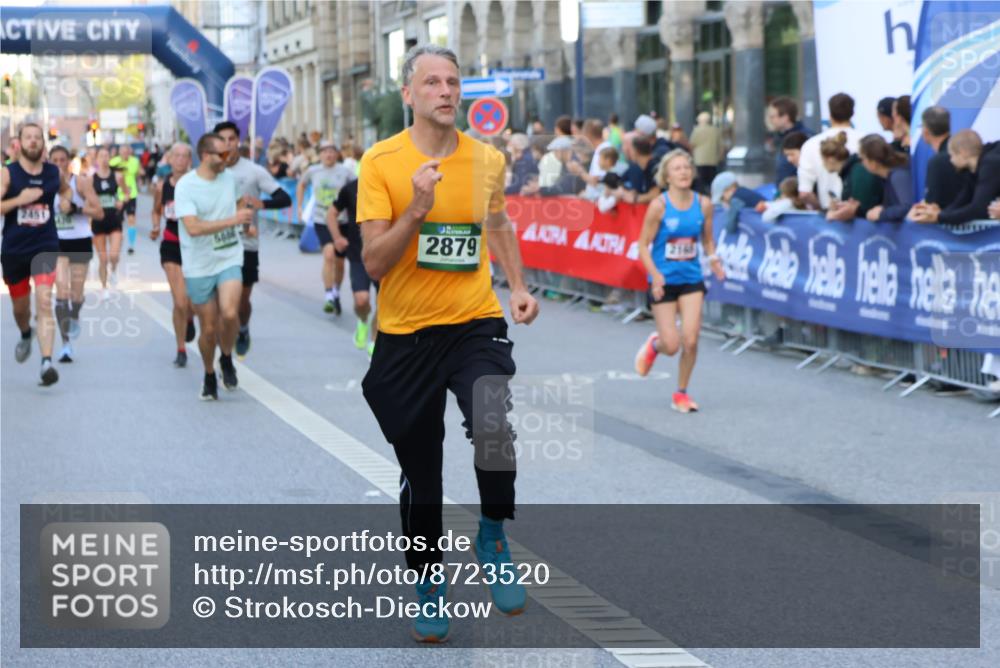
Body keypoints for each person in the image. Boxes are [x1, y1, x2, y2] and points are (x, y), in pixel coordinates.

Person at [357, 44, 539, 644]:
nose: (445, 91)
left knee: (492, 420)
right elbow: (376, 263)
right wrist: (418, 209)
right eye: (431, 82)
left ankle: (492, 530)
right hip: (406, 336)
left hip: (473, 322)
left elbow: (497, 223)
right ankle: (429, 585)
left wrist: (517, 285)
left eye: (452, 82)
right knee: (422, 473)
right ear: (408, 94)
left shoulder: (486, 159)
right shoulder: (381, 163)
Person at [634, 149, 725, 412]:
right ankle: (655, 344)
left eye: (687, 167)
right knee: (671, 346)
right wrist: (655, 275)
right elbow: (642, 245)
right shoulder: (659, 206)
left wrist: (713, 258)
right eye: (677, 169)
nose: (683, 172)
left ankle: (681, 393)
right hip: (664, 280)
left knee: (692, 339)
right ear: (667, 176)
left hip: (691, 279)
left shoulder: (704, 204)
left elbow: (707, 239)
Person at [174, 133, 256, 400]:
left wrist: (246, 221)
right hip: (198, 264)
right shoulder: (186, 186)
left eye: (229, 152)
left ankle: (227, 357)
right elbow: (193, 228)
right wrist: (233, 220)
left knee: (230, 313)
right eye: (222, 154)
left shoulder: (229, 179)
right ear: (206, 156)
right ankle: (209, 372)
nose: (227, 157)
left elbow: (240, 203)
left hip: (228, 255)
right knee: (208, 329)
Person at [0, 123, 73, 386]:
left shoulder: (53, 172)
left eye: (37, 138)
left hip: (45, 245)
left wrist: (66, 201)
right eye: (28, 138)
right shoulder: (8, 174)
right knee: (21, 308)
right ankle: (25, 332)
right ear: (19, 143)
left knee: (44, 302)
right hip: (14, 250)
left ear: (43, 143)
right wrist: (20, 200)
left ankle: (46, 363)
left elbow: (65, 189)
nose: (33, 142)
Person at [214, 121, 292, 357]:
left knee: (242, 300)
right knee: (223, 304)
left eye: (231, 139)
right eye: (222, 139)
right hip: (218, 244)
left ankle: (244, 327)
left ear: (238, 141)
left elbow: (284, 198)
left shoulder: (253, 171)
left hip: (246, 244)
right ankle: (225, 353)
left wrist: (261, 203)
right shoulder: (211, 170)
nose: (227, 144)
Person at [50, 146, 101, 363]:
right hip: (55, 242)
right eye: (55, 160)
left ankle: (75, 314)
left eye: (63, 160)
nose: (59, 164)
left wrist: (75, 209)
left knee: (76, 295)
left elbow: (98, 212)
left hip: (79, 241)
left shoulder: (80, 183)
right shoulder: (45, 184)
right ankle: (65, 345)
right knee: (62, 291)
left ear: (69, 162)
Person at [150, 143, 197, 368]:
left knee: (192, 301)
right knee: (179, 301)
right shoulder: (162, 186)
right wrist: (155, 226)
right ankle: (181, 348)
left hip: (195, 246)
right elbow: (156, 210)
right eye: (176, 156)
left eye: (184, 156)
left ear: (190, 159)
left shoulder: (197, 183)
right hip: (171, 245)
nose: (179, 160)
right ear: (170, 159)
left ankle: (190, 317)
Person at [297, 139, 355, 315]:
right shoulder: (313, 171)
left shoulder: (346, 172)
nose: (328, 155)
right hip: (322, 219)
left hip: (343, 221)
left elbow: (358, 189)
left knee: (340, 261)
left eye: (332, 151)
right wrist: (300, 206)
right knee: (328, 254)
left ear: (337, 154)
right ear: (320, 154)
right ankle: (329, 294)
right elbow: (301, 184)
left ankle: (336, 289)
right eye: (325, 151)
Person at [326, 173, 377, 355]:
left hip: (385, 253)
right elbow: (331, 214)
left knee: (385, 304)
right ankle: (363, 321)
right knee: (362, 300)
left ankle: (374, 341)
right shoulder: (351, 188)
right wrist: (337, 237)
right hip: (359, 254)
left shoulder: (392, 184)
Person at [910, 129, 1000, 225]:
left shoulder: (990, 166)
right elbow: (963, 200)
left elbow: (978, 208)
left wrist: (939, 217)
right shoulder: (973, 171)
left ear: (963, 152)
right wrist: (940, 214)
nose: (951, 161)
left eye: (952, 155)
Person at [798, 93, 861, 209]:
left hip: (829, 213)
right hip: (860, 212)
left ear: (830, 113)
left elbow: (805, 193)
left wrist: (821, 208)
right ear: (852, 113)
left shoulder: (811, 144)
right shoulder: (865, 141)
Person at [821, 132, 885, 221]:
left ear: (830, 159)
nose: (822, 164)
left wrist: (835, 214)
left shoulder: (858, 172)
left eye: (822, 159)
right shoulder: (850, 173)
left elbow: (860, 205)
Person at [914, 106, 969, 209]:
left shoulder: (937, 162)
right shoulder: (964, 151)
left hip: (947, 220)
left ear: (925, 131)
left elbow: (932, 202)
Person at [91, 146, 126, 300]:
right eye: (101, 156)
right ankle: (104, 287)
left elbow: (127, 192)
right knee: (103, 258)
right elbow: (87, 198)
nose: (104, 158)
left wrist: (121, 201)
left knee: (114, 254)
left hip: (114, 218)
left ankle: (114, 270)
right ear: (97, 159)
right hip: (98, 219)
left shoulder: (117, 176)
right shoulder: (91, 179)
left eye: (107, 156)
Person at [858, 134, 912, 223]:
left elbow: (907, 207)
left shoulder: (898, 176)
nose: (861, 163)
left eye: (862, 159)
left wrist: (882, 213)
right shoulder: (888, 177)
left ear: (873, 162)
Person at [767, 97, 812, 185]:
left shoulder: (805, 137)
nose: (770, 120)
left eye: (773, 117)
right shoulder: (779, 138)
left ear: (785, 117)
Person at [109, 143, 141, 255]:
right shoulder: (113, 161)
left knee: (131, 219)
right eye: (122, 151)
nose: (124, 154)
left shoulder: (134, 161)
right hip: (118, 195)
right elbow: (111, 174)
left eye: (126, 151)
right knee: (118, 221)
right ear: (119, 152)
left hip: (131, 194)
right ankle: (118, 242)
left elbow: (134, 172)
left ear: (129, 152)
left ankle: (131, 245)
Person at [619, 136, 662, 204]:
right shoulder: (644, 167)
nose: (627, 151)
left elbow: (655, 194)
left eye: (630, 149)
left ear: (636, 151)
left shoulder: (653, 167)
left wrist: (635, 199)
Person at [689, 112, 724, 190]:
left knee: (701, 183)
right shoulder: (715, 130)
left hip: (699, 160)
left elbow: (691, 145)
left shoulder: (696, 130)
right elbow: (721, 146)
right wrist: (720, 157)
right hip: (713, 160)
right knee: (712, 182)